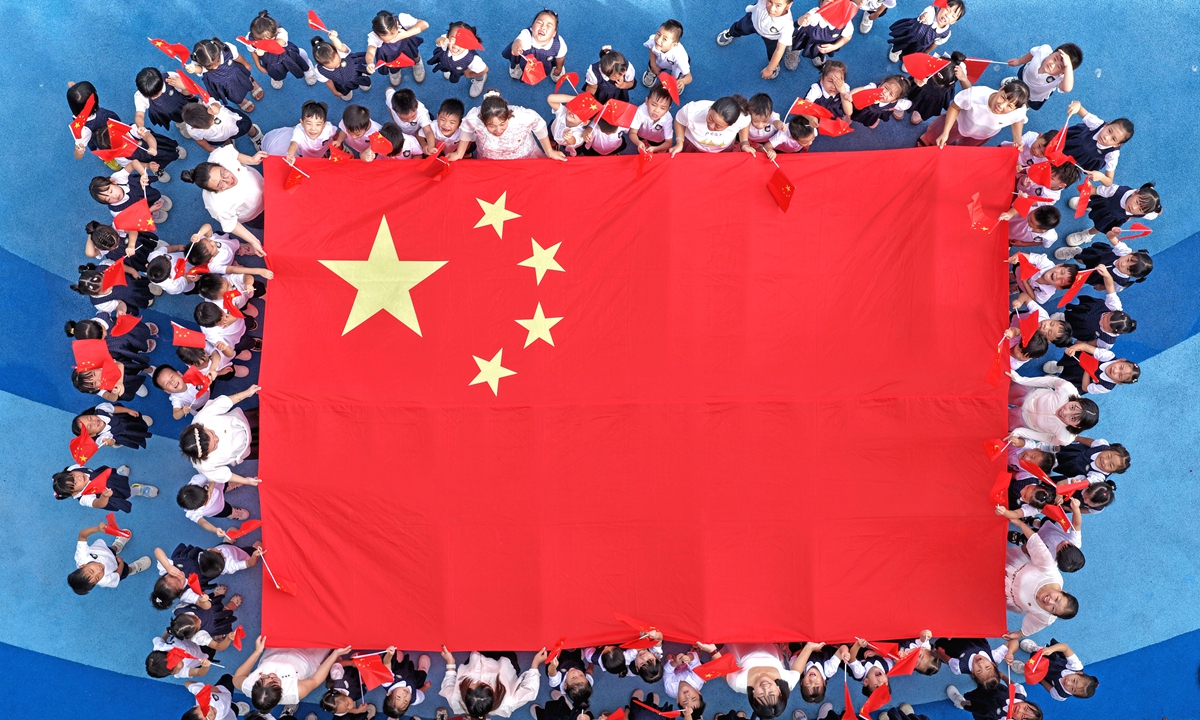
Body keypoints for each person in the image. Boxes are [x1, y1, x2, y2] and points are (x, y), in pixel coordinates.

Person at [179, 146, 268, 255]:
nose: (228, 180)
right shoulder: (217, 205)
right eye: (221, 184)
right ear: (213, 190)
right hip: (257, 213)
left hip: (267, 186)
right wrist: (253, 241)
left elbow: (234, 155)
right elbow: (232, 224)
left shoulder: (219, 155)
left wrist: (251, 160)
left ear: (219, 164)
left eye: (223, 172)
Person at [1001, 513, 1078, 638]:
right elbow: (1035, 542)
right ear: (1063, 591)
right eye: (1057, 599)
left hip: (1003, 595)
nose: (1050, 602)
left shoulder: (1045, 617)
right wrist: (1019, 523)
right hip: (1007, 567)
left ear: (1052, 614)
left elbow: (1033, 626)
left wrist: (1020, 634)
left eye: (1053, 609)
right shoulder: (1049, 569)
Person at [233, 635, 347, 712]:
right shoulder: (295, 692)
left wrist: (257, 652)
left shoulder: (248, 686)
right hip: (307, 658)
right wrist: (335, 654)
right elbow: (315, 680)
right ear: (281, 691)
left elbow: (237, 677)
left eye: (264, 677)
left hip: (277, 650)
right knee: (323, 632)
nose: (272, 675)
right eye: (274, 680)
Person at [180, 385, 262, 485]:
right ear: (205, 455)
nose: (217, 439)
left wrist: (246, 393)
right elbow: (224, 475)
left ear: (202, 427)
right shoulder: (205, 466)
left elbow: (224, 402)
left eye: (212, 433)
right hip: (245, 448)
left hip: (244, 422)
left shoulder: (203, 417)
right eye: (214, 445)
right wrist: (246, 481)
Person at [452, 91, 566, 161]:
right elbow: (466, 127)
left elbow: (539, 125)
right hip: (491, 158)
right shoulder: (474, 118)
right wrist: (459, 153)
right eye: (491, 126)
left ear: (508, 116)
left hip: (524, 156)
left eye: (502, 124)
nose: (498, 130)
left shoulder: (522, 116)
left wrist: (549, 151)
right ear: (482, 119)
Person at [439, 646, 547, 718]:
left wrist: (450, 663)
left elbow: (449, 684)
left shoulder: (455, 700)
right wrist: (535, 664)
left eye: (473, 684)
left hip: (476, 660)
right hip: (505, 663)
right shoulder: (508, 702)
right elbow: (530, 690)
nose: (480, 680)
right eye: (484, 684)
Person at [920, 82, 1028, 148]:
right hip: (959, 123)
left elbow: (1018, 119)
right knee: (937, 135)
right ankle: (929, 139)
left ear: (1015, 109)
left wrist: (1017, 139)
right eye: (1003, 97)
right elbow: (954, 107)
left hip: (982, 134)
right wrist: (946, 132)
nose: (1001, 106)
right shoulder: (976, 95)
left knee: (963, 149)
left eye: (1009, 106)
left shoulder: (1019, 111)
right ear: (1000, 89)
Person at [1008, 371, 1099, 446]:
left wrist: (1019, 432)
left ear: (1076, 426)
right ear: (1077, 400)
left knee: (996, 418)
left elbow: (1048, 439)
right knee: (1000, 391)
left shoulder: (1065, 438)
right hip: (1028, 395)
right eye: (1072, 407)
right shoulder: (1067, 389)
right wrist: (1021, 380)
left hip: (1024, 421)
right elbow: (1051, 381)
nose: (1065, 412)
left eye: (1072, 418)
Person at [716, 0, 794, 80]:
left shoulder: (787, 25)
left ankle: (774, 64)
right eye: (770, 1)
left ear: (788, 5)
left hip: (771, 38)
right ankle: (731, 33)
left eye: (778, 5)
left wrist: (769, 69)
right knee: (740, 27)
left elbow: (779, 50)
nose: (772, 8)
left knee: (773, 51)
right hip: (752, 22)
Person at [1061, 100, 1132, 186]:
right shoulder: (1097, 124)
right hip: (1073, 142)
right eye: (1109, 131)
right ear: (1107, 124)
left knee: (1063, 172)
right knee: (1054, 145)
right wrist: (1076, 105)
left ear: (1117, 144)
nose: (1106, 137)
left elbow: (1109, 182)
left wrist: (1101, 177)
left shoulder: (1113, 154)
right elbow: (1079, 107)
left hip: (1082, 160)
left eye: (1113, 139)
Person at [722, 644, 802, 720]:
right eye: (771, 692)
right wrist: (810, 646)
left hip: (737, 638)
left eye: (761, 694)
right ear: (779, 691)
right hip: (767, 636)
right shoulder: (788, 682)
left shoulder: (737, 683)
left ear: (754, 696)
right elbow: (798, 670)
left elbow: (719, 661)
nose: (765, 687)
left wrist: (712, 650)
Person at [69, 521, 150, 594]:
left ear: (82, 566)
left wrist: (97, 528)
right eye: (97, 578)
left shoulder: (81, 556)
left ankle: (117, 545)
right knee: (125, 571)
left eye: (91, 571)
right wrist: (121, 563)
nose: (99, 571)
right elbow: (117, 574)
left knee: (111, 549)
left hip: (104, 551)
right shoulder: (104, 581)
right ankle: (133, 569)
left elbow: (82, 535)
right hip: (115, 567)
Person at [246, 10, 320, 90]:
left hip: (289, 55)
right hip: (272, 62)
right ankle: (277, 78)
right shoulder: (250, 39)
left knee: (302, 59)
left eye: (270, 39)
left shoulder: (281, 32)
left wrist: (263, 49)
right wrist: (259, 66)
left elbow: (279, 44)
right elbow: (253, 51)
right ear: (254, 36)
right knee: (276, 73)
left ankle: (308, 68)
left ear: (275, 32)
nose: (265, 42)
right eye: (261, 40)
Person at [186, 38, 263, 113]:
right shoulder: (198, 62)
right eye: (209, 66)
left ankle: (252, 83)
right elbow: (199, 69)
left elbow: (237, 57)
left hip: (235, 73)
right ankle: (240, 100)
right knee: (234, 96)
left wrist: (246, 64)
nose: (215, 67)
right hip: (221, 84)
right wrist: (193, 69)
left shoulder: (227, 48)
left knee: (246, 79)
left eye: (217, 61)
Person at [1005, 43, 1081, 110]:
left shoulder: (1060, 79)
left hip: (1034, 96)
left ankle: (1024, 105)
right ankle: (1016, 85)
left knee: (1026, 102)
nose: (1052, 65)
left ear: (1062, 73)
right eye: (1055, 59)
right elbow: (1032, 54)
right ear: (1051, 53)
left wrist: (1068, 66)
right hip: (1024, 76)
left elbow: (1067, 89)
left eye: (1059, 67)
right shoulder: (1044, 50)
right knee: (1017, 84)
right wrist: (1019, 61)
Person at [670, 95, 753, 154]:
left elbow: (745, 124)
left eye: (718, 126)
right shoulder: (692, 111)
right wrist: (679, 143)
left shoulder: (742, 118)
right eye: (710, 118)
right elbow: (679, 120)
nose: (711, 126)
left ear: (730, 125)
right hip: (693, 146)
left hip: (723, 149)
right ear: (710, 109)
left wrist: (744, 143)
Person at [365, 10, 429, 86]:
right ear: (377, 34)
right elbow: (370, 52)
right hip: (390, 56)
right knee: (392, 65)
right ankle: (394, 72)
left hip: (407, 47)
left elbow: (424, 24)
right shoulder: (374, 37)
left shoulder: (402, 20)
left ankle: (417, 63)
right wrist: (370, 63)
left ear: (397, 23)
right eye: (387, 40)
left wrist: (405, 34)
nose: (392, 40)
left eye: (395, 35)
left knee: (414, 55)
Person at [502, 9, 567, 83]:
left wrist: (559, 68)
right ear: (532, 27)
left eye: (549, 26)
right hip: (525, 61)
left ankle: (556, 70)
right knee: (517, 61)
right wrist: (516, 47)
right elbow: (518, 41)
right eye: (539, 23)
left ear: (554, 33)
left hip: (547, 61)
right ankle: (517, 68)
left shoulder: (559, 43)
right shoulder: (526, 35)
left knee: (555, 65)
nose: (543, 27)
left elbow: (560, 57)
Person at [887, 1, 963, 63]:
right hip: (911, 33)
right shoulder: (931, 11)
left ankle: (908, 61)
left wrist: (926, 52)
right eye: (947, 9)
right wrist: (923, 16)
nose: (948, 15)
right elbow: (923, 15)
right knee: (902, 42)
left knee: (913, 52)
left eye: (953, 16)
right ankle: (896, 50)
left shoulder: (946, 33)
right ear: (940, 7)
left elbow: (935, 43)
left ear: (954, 22)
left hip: (921, 44)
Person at [427, 22, 489, 98]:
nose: (456, 45)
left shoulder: (473, 60)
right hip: (449, 63)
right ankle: (450, 69)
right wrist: (440, 40)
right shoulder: (445, 42)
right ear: (447, 37)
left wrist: (470, 74)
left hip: (465, 68)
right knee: (450, 68)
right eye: (453, 39)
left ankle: (479, 80)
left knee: (478, 72)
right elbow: (438, 41)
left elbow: (484, 69)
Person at [261, 100, 338, 160]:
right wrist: (290, 154)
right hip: (305, 155)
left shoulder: (328, 128)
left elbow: (335, 135)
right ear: (302, 123)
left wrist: (338, 142)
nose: (313, 129)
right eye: (309, 123)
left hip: (321, 151)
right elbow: (294, 143)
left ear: (324, 124)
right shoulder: (299, 132)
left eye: (318, 124)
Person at [180, 98, 262, 153]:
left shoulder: (208, 103)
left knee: (248, 126)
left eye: (211, 119)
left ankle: (255, 135)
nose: (212, 124)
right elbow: (199, 140)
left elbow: (214, 102)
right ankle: (229, 144)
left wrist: (216, 107)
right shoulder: (192, 131)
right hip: (217, 137)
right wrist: (210, 149)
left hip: (236, 124)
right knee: (223, 139)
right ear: (194, 128)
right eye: (207, 126)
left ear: (203, 105)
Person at [311, 31, 373, 101]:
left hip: (354, 71)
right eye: (334, 67)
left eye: (339, 62)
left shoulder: (340, 52)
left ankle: (362, 78)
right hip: (342, 82)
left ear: (336, 51)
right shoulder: (319, 71)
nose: (338, 66)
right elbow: (328, 81)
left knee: (361, 77)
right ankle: (347, 91)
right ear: (321, 64)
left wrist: (333, 38)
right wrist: (335, 92)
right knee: (344, 90)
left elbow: (340, 47)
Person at [644, 20, 691, 91]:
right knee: (652, 64)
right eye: (658, 34)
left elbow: (689, 77)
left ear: (674, 44)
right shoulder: (654, 40)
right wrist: (653, 65)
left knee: (676, 75)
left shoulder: (680, 56)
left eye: (665, 39)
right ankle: (652, 72)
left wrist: (683, 81)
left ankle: (678, 80)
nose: (658, 40)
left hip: (676, 65)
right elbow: (651, 48)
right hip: (661, 61)